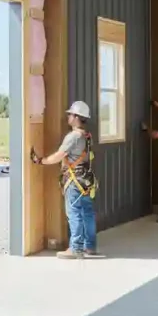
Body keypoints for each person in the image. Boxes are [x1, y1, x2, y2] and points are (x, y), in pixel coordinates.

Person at [31, 101, 100, 259]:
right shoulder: (87, 136)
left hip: (75, 181)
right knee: (88, 213)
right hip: (86, 181)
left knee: (74, 213)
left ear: (76, 117)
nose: (68, 116)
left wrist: (41, 161)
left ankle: (75, 248)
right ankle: (90, 247)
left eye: (70, 114)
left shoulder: (73, 137)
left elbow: (59, 156)